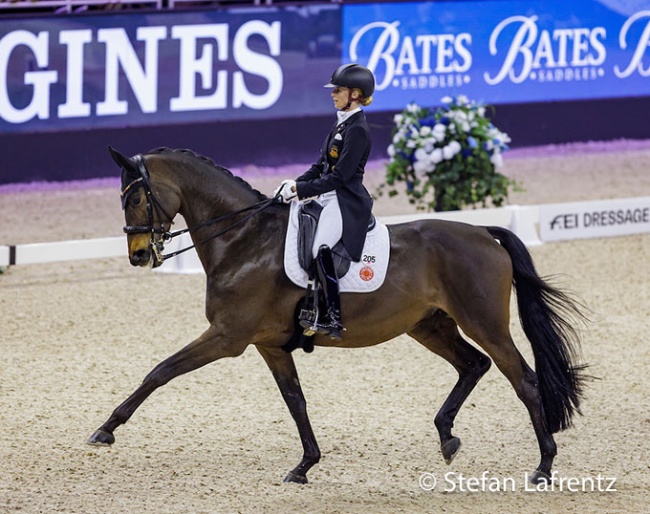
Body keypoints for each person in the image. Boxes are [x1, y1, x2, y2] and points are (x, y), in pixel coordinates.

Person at [274, 63, 376, 340]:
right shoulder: (341, 121)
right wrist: (294, 184)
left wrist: (303, 189)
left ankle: (332, 316)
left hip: (345, 200)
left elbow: (340, 177)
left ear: (355, 94)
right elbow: (321, 165)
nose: (333, 94)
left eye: (338, 90)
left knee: (322, 249)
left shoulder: (358, 130)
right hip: (329, 195)